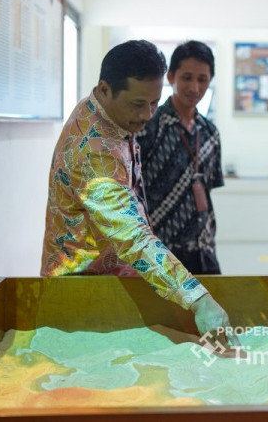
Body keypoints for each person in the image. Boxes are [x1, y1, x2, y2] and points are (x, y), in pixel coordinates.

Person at [41, 40, 233, 342]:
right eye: (137, 104)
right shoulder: (93, 153)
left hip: (125, 274)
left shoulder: (108, 114)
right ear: (105, 89)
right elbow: (132, 236)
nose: (147, 115)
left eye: (154, 103)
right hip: (86, 291)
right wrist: (198, 299)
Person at [137, 40, 224, 275]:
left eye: (202, 80)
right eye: (187, 78)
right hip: (160, 251)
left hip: (203, 250)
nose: (194, 88)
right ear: (171, 77)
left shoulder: (210, 133)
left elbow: (209, 188)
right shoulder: (148, 127)